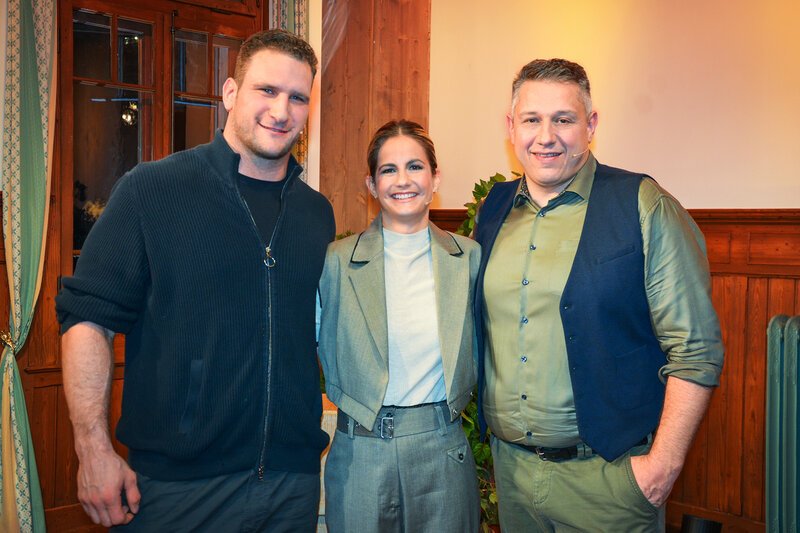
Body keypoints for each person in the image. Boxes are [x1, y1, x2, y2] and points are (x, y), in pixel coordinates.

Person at [55, 29, 335, 532]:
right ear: (230, 94)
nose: (281, 110)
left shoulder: (317, 215)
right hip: (177, 491)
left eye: (298, 97)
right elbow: (87, 319)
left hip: (292, 486)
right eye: (266, 90)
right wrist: (92, 450)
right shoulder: (152, 188)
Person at [473, 58, 724, 532]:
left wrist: (661, 468)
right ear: (511, 127)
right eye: (531, 119)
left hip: (607, 479)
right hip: (511, 476)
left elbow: (695, 350)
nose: (545, 136)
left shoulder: (642, 204)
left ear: (591, 125)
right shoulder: (494, 209)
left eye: (563, 119)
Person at [318, 120, 481, 532]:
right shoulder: (335, 263)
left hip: (441, 449)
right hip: (361, 452)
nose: (403, 180)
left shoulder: (470, 259)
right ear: (371, 184)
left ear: (435, 177)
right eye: (388, 170)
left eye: (415, 166)